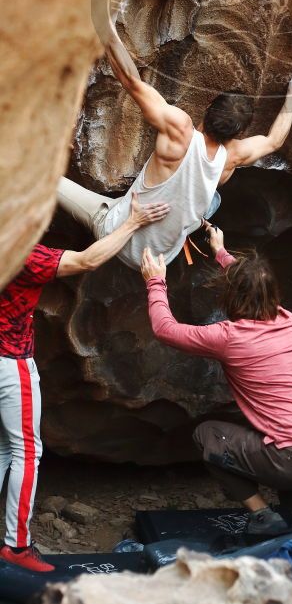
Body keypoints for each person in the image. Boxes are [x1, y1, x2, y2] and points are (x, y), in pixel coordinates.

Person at [140, 224, 292, 537]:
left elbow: (165, 330)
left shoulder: (229, 337)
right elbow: (253, 285)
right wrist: (220, 252)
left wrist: (155, 281)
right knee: (281, 433)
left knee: (208, 435)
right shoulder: (285, 320)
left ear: (232, 296)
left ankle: (262, 516)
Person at [57, 16, 292, 269]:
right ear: (237, 134)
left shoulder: (180, 130)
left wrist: (106, 27)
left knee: (53, 184)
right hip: (157, 261)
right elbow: (273, 141)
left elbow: (131, 82)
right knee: (214, 200)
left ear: (210, 103)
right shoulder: (233, 157)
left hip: (115, 233)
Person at [0, 193, 169, 572]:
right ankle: (17, 545)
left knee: (2, 448)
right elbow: (87, 260)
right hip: (10, 362)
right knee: (28, 451)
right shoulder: (23, 254)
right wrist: (133, 222)